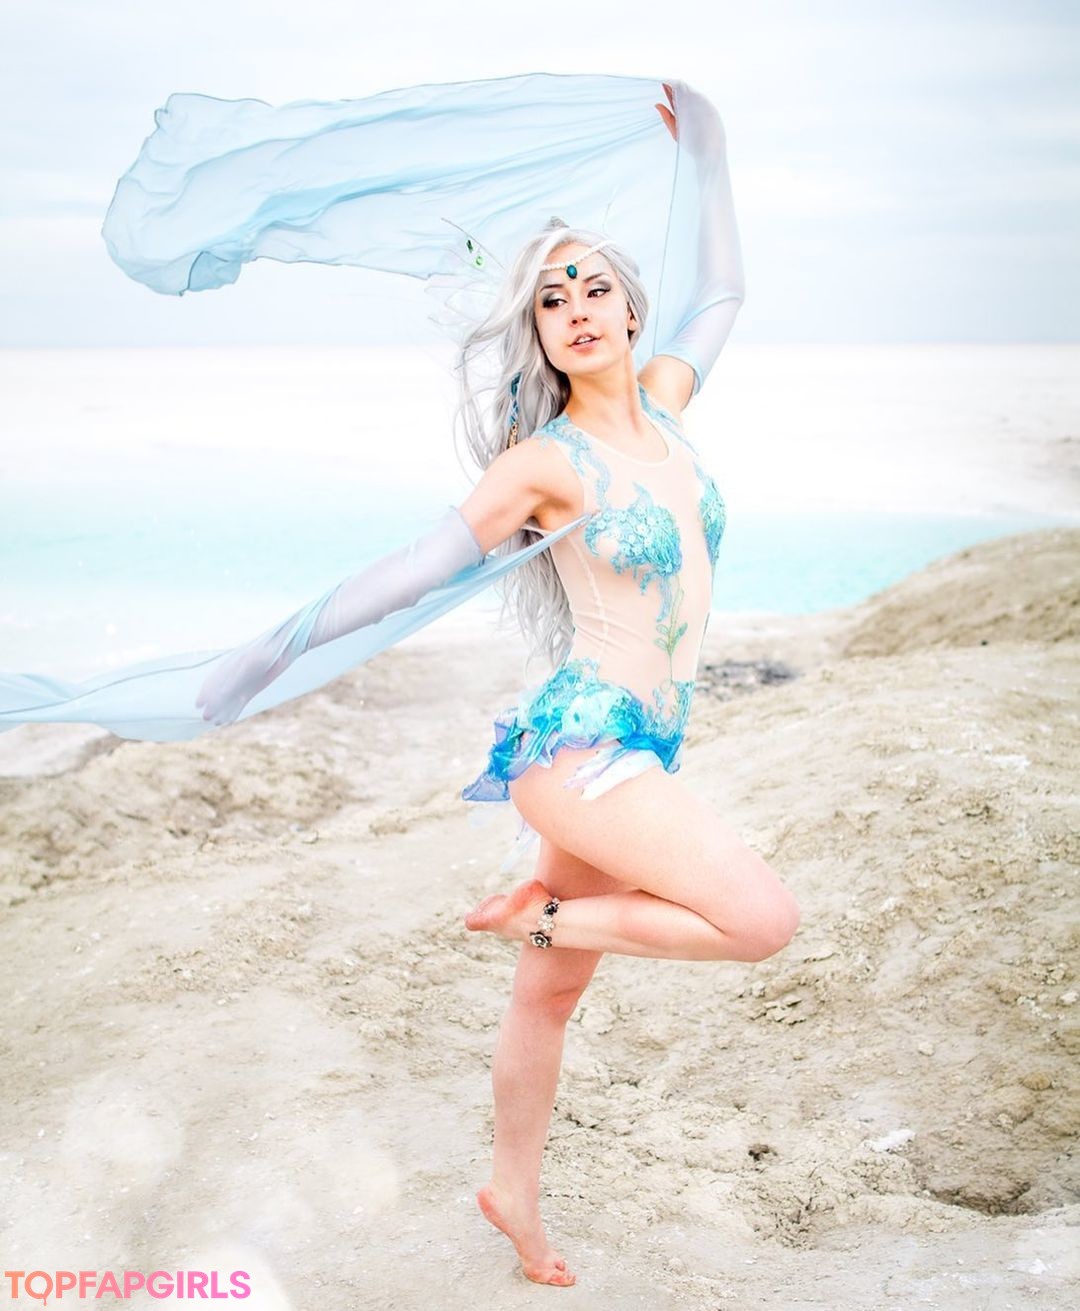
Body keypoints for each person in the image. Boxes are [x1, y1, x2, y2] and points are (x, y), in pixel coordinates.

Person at [2, 75, 801, 1289]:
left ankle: (513, 1193)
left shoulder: (673, 409)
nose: (576, 309)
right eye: (551, 300)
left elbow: (727, 287)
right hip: (586, 755)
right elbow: (412, 571)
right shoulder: (546, 462)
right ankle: (533, 911)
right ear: (537, 336)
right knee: (759, 922)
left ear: (635, 311)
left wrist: (708, 139)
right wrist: (264, 654)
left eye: (594, 287)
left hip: (635, 744)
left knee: (548, 1002)